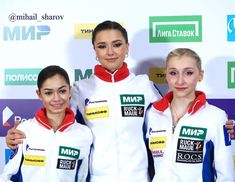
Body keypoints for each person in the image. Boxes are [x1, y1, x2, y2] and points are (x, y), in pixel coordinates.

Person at [4, 21, 235, 181]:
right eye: (102, 46)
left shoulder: (143, 85)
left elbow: (172, 114)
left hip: (140, 178)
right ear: (94, 50)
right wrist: (22, 135)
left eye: (116, 44)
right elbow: (58, 125)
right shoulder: (81, 89)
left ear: (127, 48)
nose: (110, 52)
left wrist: (218, 125)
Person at [146, 48, 234, 181]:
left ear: (200, 75)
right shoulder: (152, 114)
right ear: (166, 75)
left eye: (188, 73)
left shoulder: (216, 117)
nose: (180, 81)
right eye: (173, 73)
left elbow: (225, 175)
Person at [0, 65, 93, 182]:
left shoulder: (83, 134)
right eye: (48, 93)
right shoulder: (24, 130)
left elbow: (83, 177)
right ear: (39, 94)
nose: (56, 98)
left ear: (70, 91)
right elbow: (7, 176)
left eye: (62, 91)